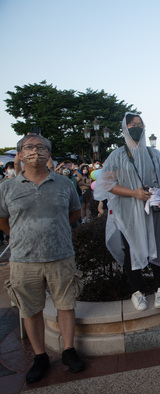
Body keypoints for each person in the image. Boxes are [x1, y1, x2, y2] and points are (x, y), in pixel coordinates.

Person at [0, 135, 85, 383]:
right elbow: (2, 219)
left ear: (49, 154)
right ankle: (40, 356)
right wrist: (19, 234)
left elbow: (74, 212)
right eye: (29, 147)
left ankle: (69, 350)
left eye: (41, 148)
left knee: (66, 304)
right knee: (30, 309)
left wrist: (53, 230)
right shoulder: (7, 188)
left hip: (61, 255)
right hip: (24, 259)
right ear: (20, 154)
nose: (35, 151)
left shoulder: (64, 184)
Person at [94, 113, 160, 311]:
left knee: (158, 247)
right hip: (128, 213)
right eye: (132, 124)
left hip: (153, 212)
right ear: (124, 128)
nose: (136, 127)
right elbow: (108, 184)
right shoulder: (117, 155)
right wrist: (134, 193)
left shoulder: (154, 154)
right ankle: (137, 291)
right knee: (131, 249)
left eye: (140, 124)